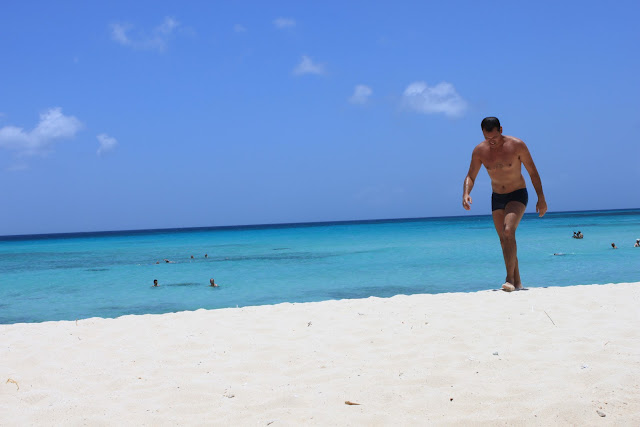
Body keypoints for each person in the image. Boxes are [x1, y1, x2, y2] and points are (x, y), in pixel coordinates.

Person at [462, 117, 547, 292]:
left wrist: (541, 198)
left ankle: (508, 279)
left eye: (494, 137)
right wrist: (466, 193)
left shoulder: (517, 145)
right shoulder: (480, 151)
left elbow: (533, 172)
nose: (491, 142)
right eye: (487, 138)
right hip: (497, 197)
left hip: (517, 193)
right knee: (504, 239)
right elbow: (471, 175)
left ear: (501, 129)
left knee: (509, 231)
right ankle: (517, 283)